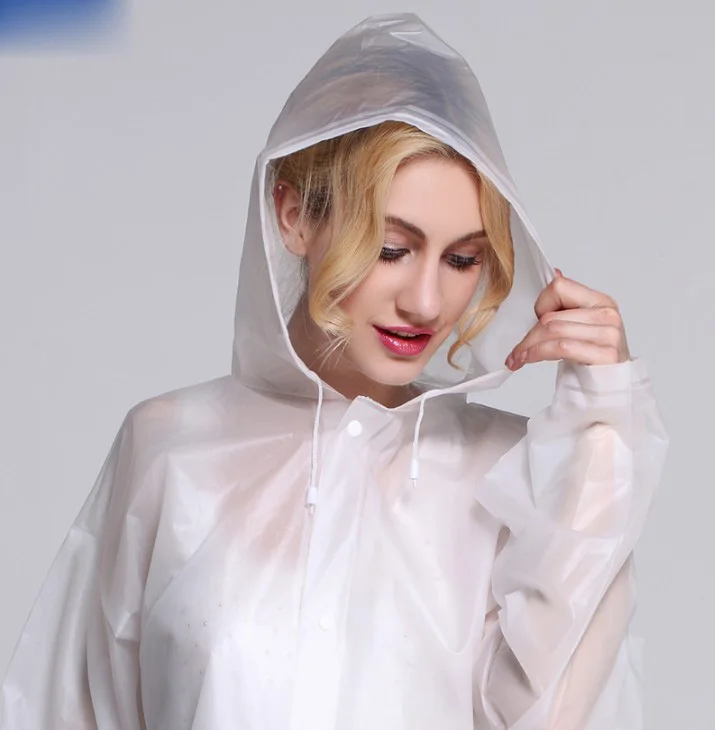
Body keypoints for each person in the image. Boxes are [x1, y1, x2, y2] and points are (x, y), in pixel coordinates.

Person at [0, 12, 668, 730]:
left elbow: (550, 716)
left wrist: (604, 422)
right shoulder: (170, 449)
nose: (425, 301)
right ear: (294, 216)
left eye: (461, 259)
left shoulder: (508, 476)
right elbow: (67, 709)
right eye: (390, 248)